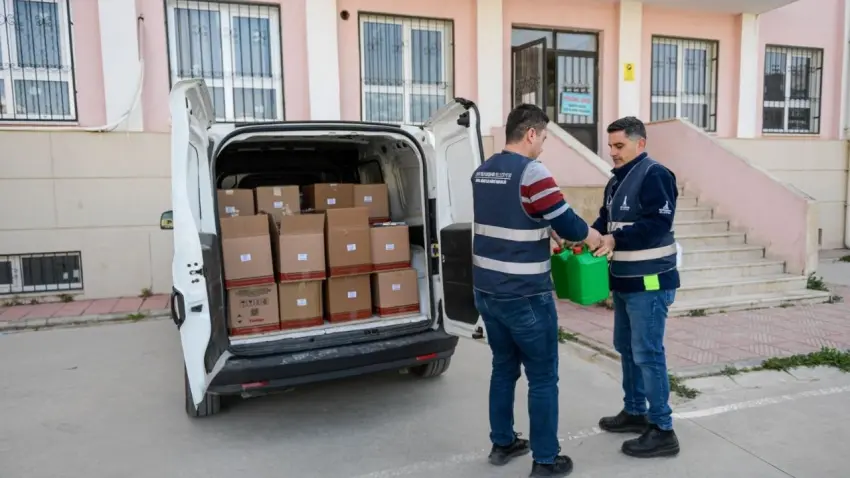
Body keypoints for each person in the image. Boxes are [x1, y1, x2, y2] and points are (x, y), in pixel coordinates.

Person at [471, 103, 602, 477]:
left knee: (503, 367)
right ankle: (546, 460)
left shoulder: (483, 171)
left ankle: (502, 442)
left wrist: (545, 232)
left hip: (488, 291)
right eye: (543, 138)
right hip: (526, 293)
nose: (543, 145)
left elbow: (512, 216)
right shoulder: (532, 171)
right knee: (543, 377)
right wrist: (592, 235)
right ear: (531, 133)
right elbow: (569, 222)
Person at [590, 116, 681, 458]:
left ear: (640, 143)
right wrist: (589, 236)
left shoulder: (655, 174)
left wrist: (613, 239)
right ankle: (635, 411)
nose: (612, 152)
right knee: (626, 346)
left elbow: (658, 224)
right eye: (610, 145)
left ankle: (662, 429)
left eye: (619, 146)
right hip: (625, 281)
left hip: (650, 282)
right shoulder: (616, 181)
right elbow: (605, 219)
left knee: (647, 351)